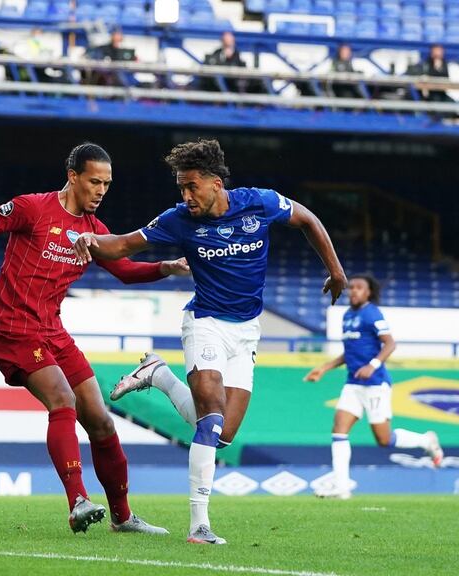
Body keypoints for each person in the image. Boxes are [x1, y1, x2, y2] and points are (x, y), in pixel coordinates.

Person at [0, 143, 189, 535]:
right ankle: (78, 501)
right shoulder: (32, 208)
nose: (101, 190)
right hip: (13, 330)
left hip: (53, 332)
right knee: (63, 400)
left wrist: (166, 266)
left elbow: (126, 271)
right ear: (73, 176)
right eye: (94, 182)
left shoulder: (94, 231)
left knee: (100, 422)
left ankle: (122, 517)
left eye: (107, 184)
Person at [71, 138, 347, 544]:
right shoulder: (179, 219)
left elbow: (308, 219)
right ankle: (199, 525)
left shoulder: (259, 202)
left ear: (216, 183)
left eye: (192, 186)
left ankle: (159, 375)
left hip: (247, 330)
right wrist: (89, 240)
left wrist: (336, 270)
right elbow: (125, 244)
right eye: (181, 187)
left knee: (223, 433)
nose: (186, 196)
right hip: (205, 323)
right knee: (212, 418)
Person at [304, 274, 444, 499]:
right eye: (352, 287)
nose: (354, 291)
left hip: (375, 384)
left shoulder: (372, 313)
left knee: (384, 440)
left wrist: (373, 365)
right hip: (353, 384)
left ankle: (426, 441)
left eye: (359, 287)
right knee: (339, 430)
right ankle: (342, 486)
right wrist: (324, 368)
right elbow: (349, 353)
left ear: (369, 293)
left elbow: (390, 344)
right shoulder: (347, 315)